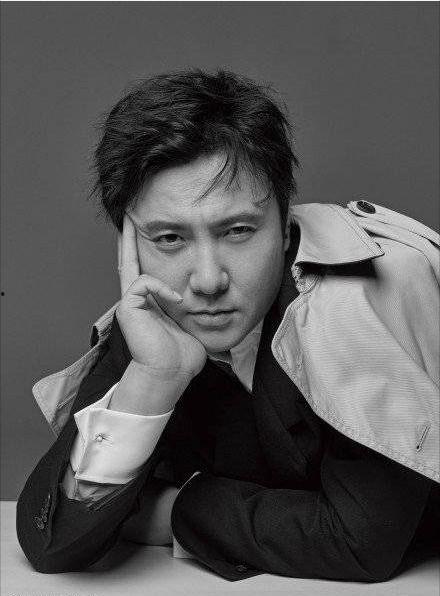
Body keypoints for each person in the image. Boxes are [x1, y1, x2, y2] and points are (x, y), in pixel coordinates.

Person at [17, 69, 439, 582]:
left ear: (285, 227)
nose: (208, 280)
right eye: (169, 239)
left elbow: (361, 542)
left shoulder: (356, 300)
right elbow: (53, 542)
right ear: (130, 245)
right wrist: (155, 377)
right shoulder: (155, 318)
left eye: (237, 231)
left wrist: (176, 510)